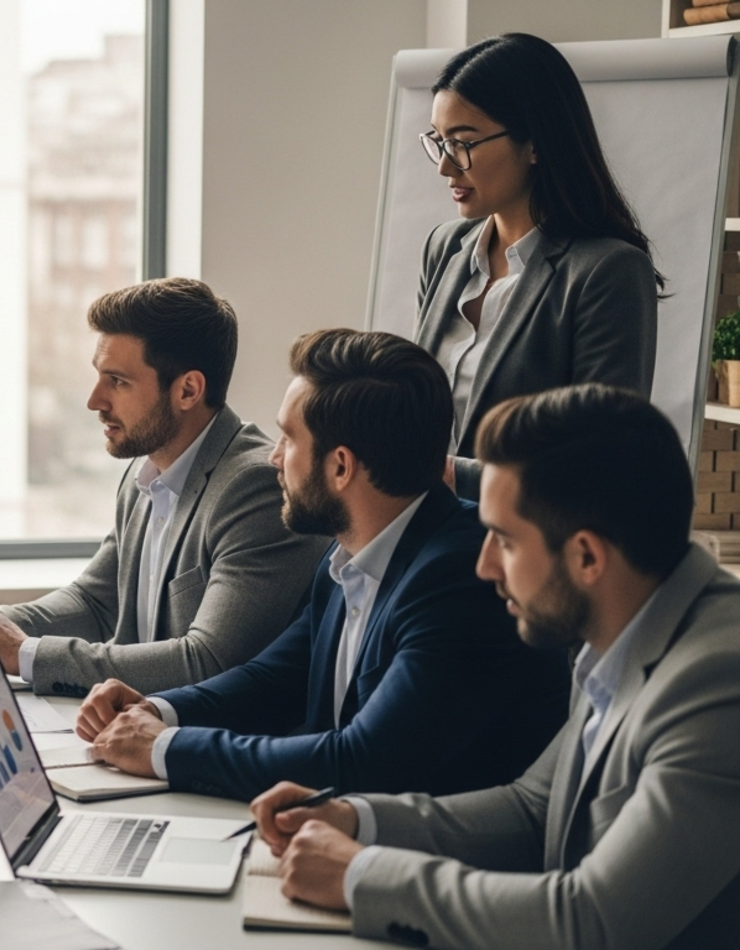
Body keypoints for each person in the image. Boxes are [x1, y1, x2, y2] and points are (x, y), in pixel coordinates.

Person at [255, 384, 740, 950]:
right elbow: (533, 809)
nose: (484, 565)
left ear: (586, 556)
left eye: (504, 541)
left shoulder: (718, 681)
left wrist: (362, 875)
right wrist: (356, 819)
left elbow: (594, 919)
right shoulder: (623, 626)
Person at [75, 329, 567, 802]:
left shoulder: (458, 577)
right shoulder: (347, 551)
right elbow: (275, 678)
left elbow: (363, 760)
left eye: (289, 440)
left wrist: (163, 749)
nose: (273, 457)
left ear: (340, 467)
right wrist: (158, 709)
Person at [0, 278, 328, 696]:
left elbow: (208, 661)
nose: (94, 400)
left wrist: (25, 652)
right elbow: (94, 602)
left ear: (188, 390)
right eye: (98, 377)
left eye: (118, 381)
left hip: (216, 747)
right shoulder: (146, 473)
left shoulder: (254, 487)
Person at [416, 33, 659, 498]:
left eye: (462, 143)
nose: (446, 168)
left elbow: (602, 458)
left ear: (535, 143)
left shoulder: (608, 272)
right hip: (423, 537)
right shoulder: (445, 248)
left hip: (523, 552)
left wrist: (452, 476)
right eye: (439, 142)